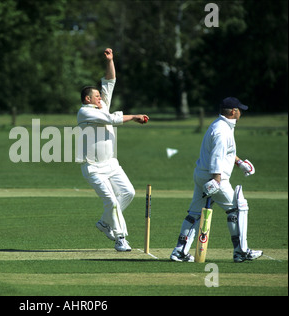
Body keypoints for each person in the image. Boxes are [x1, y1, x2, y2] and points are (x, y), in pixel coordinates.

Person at [170, 97, 263, 262]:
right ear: (233, 111)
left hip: (202, 175)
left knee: (195, 213)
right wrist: (216, 181)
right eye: (240, 110)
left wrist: (239, 162)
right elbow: (216, 157)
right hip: (214, 177)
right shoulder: (222, 130)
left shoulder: (219, 125)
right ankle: (241, 251)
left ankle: (180, 252)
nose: (241, 113)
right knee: (238, 208)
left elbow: (226, 151)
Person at [77, 48, 149, 251]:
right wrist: (134, 116)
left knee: (128, 193)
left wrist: (110, 60)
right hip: (93, 167)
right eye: (97, 96)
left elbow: (110, 81)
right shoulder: (84, 113)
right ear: (87, 99)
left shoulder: (103, 105)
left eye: (100, 96)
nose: (100, 98)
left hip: (112, 164)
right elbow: (110, 119)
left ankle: (104, 223)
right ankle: (120, 238)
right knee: (112, 201)